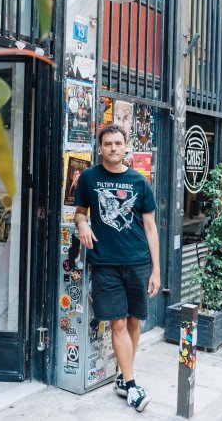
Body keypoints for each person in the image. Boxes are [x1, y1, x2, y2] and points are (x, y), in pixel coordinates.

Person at [74, 123, 160, 412]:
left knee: (135, 320)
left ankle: (124, 376)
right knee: (118, 322)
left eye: (118, 143)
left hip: (138, 262)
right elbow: (80, 213)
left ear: (126, 148)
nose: (113, 148)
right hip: (105, 264)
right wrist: (83, 224)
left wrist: (157, 270)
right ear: (100, 148)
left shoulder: (139, 182)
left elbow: (150, 228)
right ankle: (133, 386)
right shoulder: (88, 177)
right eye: (107, 143)